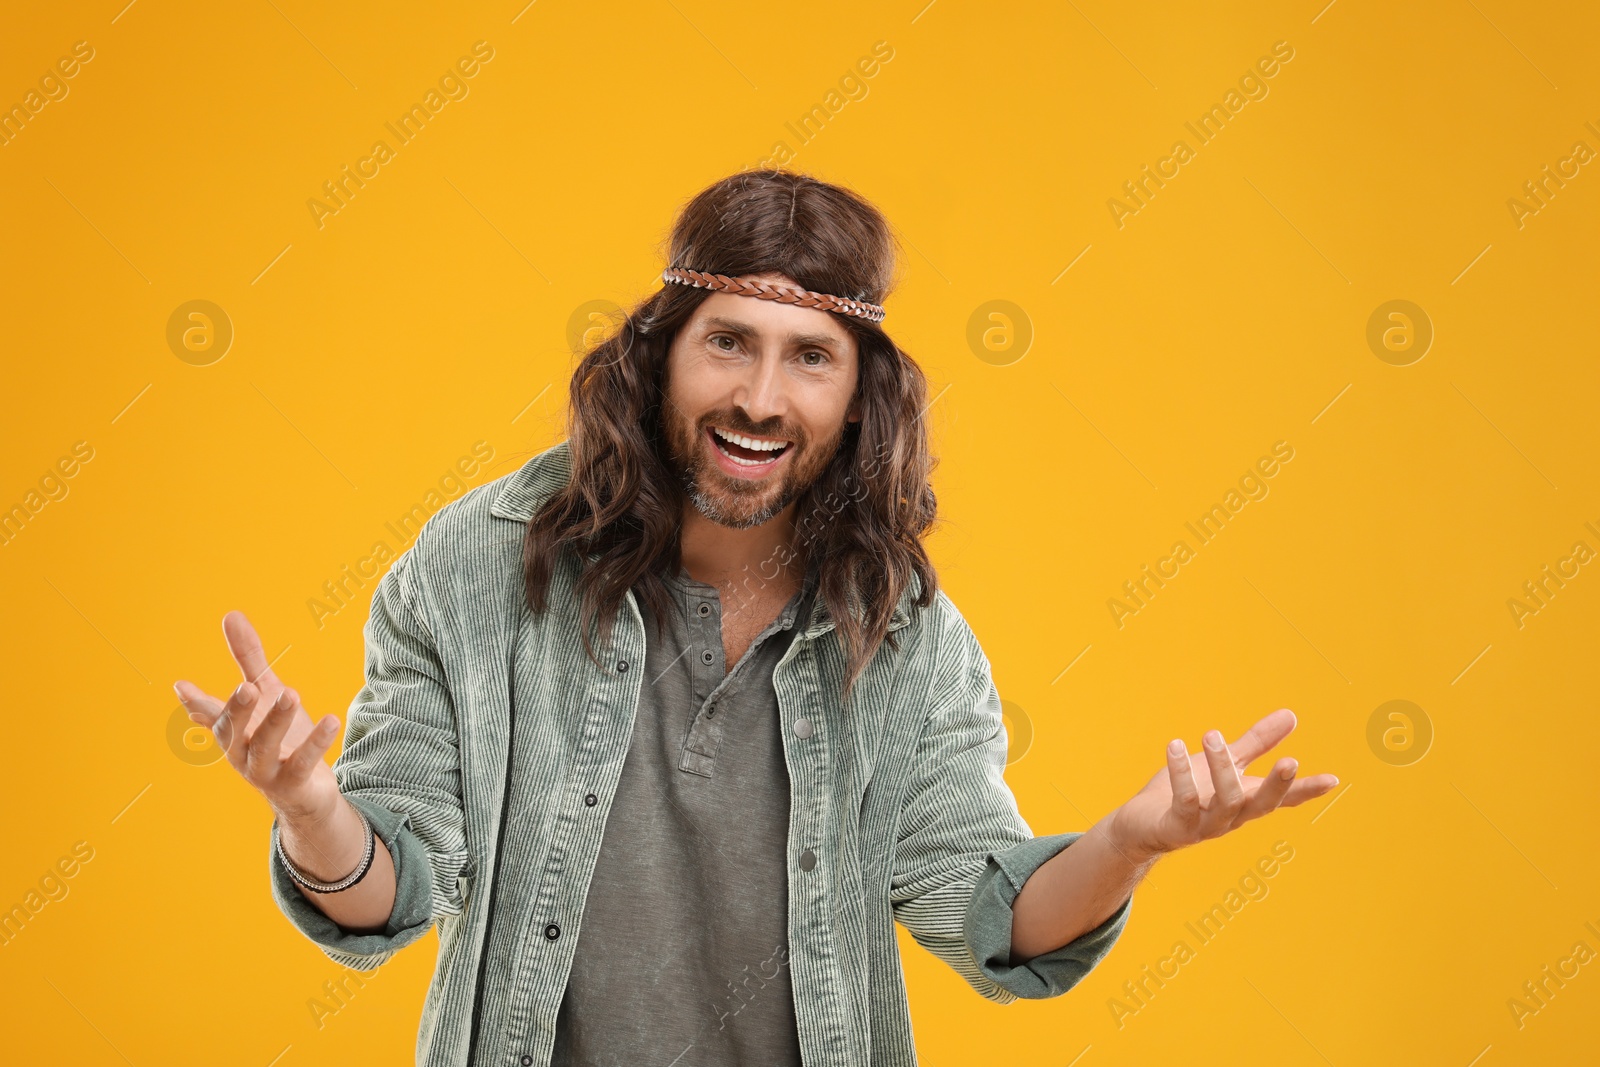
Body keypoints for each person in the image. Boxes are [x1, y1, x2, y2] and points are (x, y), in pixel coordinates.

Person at [173, 170, 1337, 1067]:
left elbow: (989, 918)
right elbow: (392, 889)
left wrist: (1127, 843)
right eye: (727, 340)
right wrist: (310, 805)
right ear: (659, 355)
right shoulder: (478, 565)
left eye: (809, 357)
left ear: (858, 394)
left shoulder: (909, 637)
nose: (759, 397)